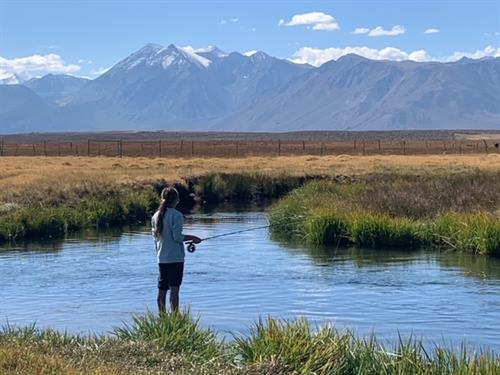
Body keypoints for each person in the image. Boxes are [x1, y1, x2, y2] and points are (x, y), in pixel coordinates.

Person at [151, 187, 201, 313]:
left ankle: (162, 318)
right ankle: (175, 318)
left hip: (161, 258)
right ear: (176, 200)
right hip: (176, 258)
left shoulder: (155, 216)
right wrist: (193, 237)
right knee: (174, 290)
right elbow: (177, 237)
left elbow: (155, 239)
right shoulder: (177, 215)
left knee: (162, 290)